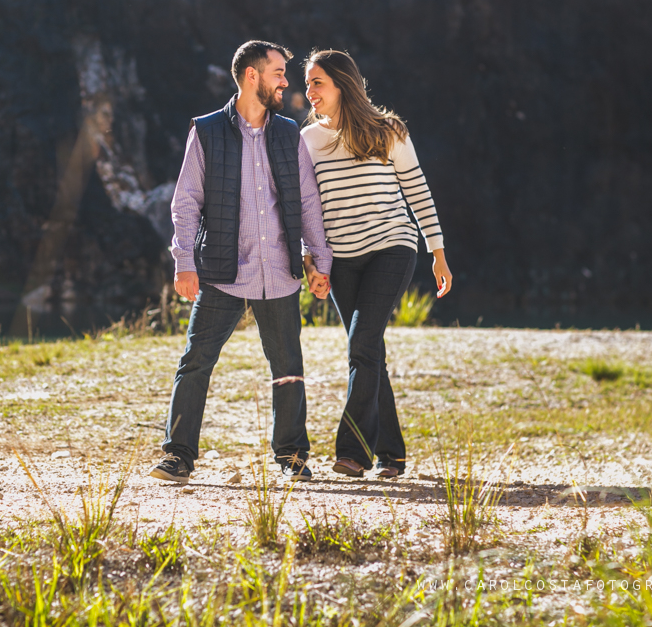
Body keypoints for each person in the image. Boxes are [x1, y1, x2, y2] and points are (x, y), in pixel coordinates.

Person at [151, 40, 333, 484]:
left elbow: (308, 202)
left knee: (287, 365)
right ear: (252, 75)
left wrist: (318, 260)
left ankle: (291, 455)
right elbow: (186, 203)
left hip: (280, 270)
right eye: (277, 73)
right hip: (222, 271)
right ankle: (178, 456)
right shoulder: (208, 131)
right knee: (196, 360)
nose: (285, 82)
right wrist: (184, 262)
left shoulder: (288, 133)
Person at [300, 49, 452, 479]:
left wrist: (437, 253)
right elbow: (303, 209)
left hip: (392, 246)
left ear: (342, 85)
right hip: (341, 258)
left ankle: (352, 452)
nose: (309, 92)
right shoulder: (308, 141)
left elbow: (418, 192)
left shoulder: (389, 131)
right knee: (369, 352)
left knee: (361, 346)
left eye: (317, 83)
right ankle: (393, 454)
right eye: (308, 83)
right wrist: (311, 262)